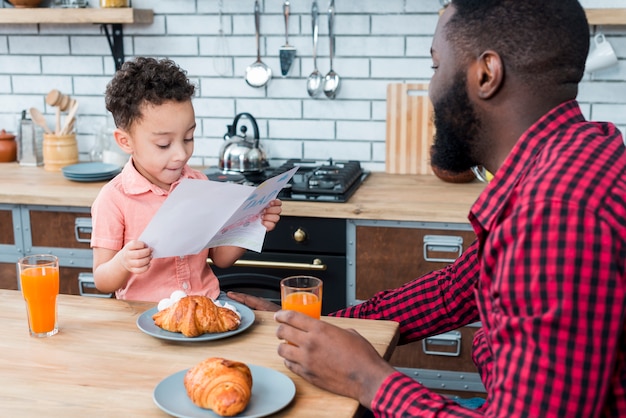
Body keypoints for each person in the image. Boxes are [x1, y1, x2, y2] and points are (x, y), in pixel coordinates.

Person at [228, 0, 626, 416]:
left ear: (486, 74)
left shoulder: (556, 216)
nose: (432, 88)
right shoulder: (575, 155)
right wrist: (326, 327)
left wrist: (366, 377)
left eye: (437, 67)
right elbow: (453, 291)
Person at [91, 57, 282, 301]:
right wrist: (122, 262)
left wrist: (254, 222)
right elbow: (102, 280)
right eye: (163, 144)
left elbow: (222, 258)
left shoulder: (198, 183)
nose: (181, 154)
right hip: (145, 315)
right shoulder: (114, 198)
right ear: (125, 141)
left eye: (189, 138)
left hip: (206, 303)